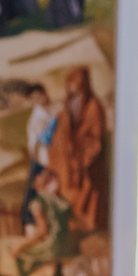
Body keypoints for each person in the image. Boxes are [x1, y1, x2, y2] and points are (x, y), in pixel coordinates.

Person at [0, 165, 77, 276]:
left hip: (48, 246)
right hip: (62, 245)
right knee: (14, 242)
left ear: (40, 184)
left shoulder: (38, 202)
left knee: (5, 244)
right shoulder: (63, 202)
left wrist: (22, 245)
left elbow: (43, 231)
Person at [48, 65, 107, 234]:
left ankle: (87, 225)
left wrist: (82, 150)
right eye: (69, 86)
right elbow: (64, 127)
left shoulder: (94, 106)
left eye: (75, 86)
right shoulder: (68, 104)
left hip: (87, 158)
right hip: (68, 157)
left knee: (88, 188)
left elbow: (95, 136)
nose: (72, 91)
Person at [21, 82, 57, 225]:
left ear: (45, 92)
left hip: (57, 157)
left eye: (39, 96)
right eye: (34, 99)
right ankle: (31, 224)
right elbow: (34, 145)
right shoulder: (36, 119)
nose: (38, 100)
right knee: (36, 194)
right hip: (43, 160)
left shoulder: (56, 109)